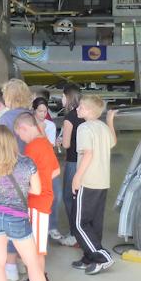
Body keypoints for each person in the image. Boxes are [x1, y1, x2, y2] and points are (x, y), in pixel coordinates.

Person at [0, 125, 70, 281]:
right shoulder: (27, 163)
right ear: (12, 141)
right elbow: (36, 190)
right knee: (32, 263)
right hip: (18, 218)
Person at [11, 112, 61, 281]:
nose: (21, 138)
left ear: (24, 128)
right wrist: (43, 184)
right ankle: (40, 277)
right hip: (43, 199)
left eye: (20, 134)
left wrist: (34, 188)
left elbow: (25, 178)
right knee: (36, 246)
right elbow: (56, 170)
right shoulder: (46, 143)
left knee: (36, 249)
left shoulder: (32, 147)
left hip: (36, 202)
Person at [71, 94, 118, 275]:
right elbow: (113, 142)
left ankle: (101, 256)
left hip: (88, 181)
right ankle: (89, 257)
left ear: (89, 111)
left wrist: (77, 177)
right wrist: (110, 121)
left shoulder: (84, 128)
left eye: (81, 107)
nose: (77, 109)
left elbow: (88, 154)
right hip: (102, 181)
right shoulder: (103, 127)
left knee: (79, 223)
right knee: (93, 222)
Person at [0, 78, 34, 281]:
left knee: (8, 217)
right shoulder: (31, 116)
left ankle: (10, 266)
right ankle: (25, 261)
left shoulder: (5, 118)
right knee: (25, 217)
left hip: (8, 172)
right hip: (30, 172)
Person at [33, 97, 64, 242]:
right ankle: (39, 227)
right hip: (34, 166)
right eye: (40, 111)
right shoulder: (29, 125)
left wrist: (43, 130)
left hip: (49, 164)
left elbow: (49, 146)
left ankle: (52, 226)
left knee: (55, 196)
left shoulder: (49, 125)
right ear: (34, 111)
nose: (42, 114)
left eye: (45, 111)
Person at [59, 85, 83, 247]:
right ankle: (83, 231)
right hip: (86, 162)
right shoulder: (85, 115)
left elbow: (66, 144)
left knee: (69, 197)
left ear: (68, 97)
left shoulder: (69, 117)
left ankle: (74, 233)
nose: (61, 99)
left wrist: (59, 141)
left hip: (73, 162)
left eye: (62, 96)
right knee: (82, 198)